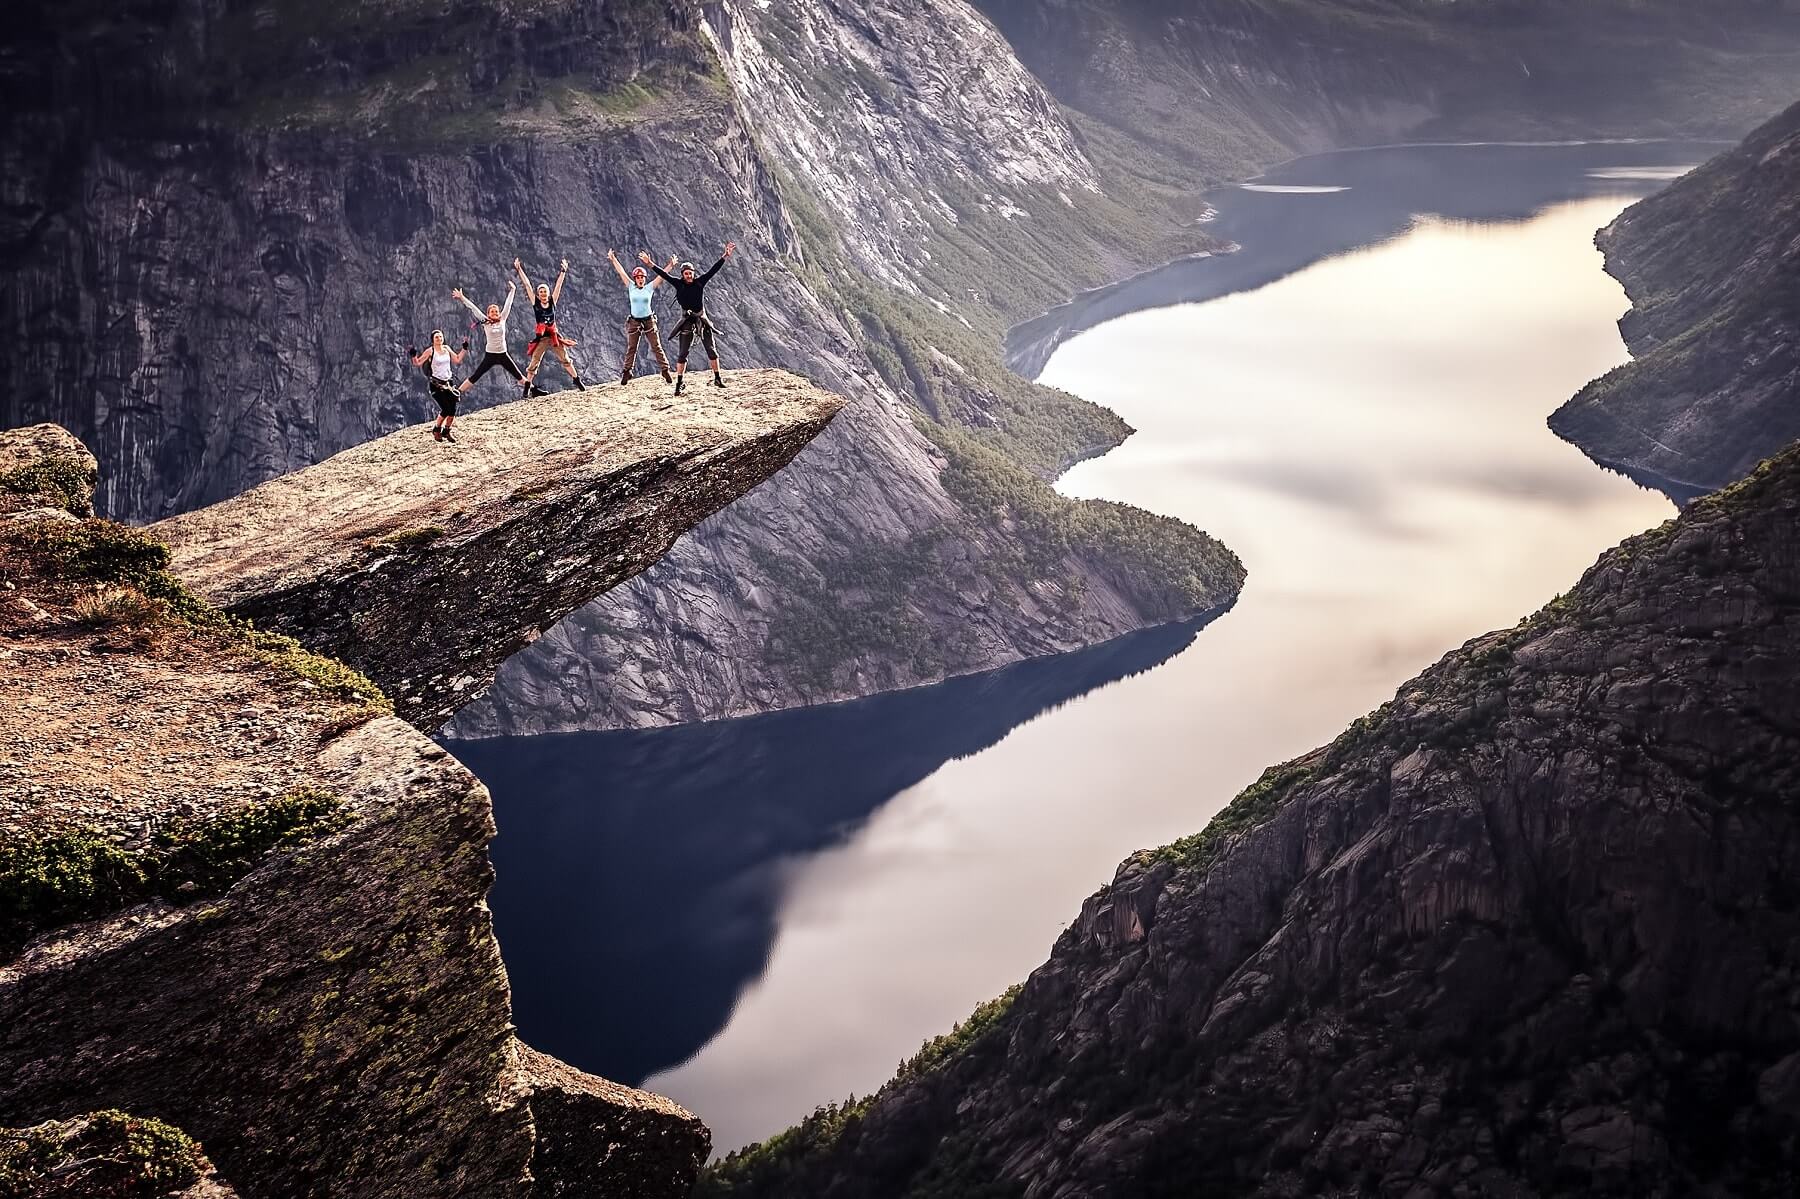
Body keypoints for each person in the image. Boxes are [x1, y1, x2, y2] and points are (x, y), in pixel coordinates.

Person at [641, 242, 735, 395]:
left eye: (690, 273)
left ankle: (717, 378)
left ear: (693, 273)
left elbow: (713, 270)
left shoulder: (700, 282)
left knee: (711, 350)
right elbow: (663, 275)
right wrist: (649, 264)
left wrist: (725, 255)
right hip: (686, 320)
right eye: (686, 273)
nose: (689, 275)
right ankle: (679, 383)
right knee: (683, 353)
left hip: (701, 319)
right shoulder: (679, 284)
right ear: (683, 274)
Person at [515, 256, 585, 394]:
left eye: (545, 291)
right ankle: (527, 387)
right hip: (542, 337)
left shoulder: (552, 302)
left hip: (553, 336)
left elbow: (558, 286)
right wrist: (519, 269)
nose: (543, 293)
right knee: (535, 361)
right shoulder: (536, 303)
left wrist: (563, 272)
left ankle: (577, 380)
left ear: (548, 293)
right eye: (541, 291)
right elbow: (527, 285)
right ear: (538, 294)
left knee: (564, 358)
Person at [606, 248, 673, 386]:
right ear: (635, 279)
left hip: (648, 320)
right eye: (638, 278)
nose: (641, 280)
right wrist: (613, 259)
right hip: (634, 321)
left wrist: (671, 265)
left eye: (642, 277)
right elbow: (621, 272)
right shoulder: (631, 287)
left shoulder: (649, 288)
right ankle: (627, 371)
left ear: (644, 279)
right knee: (632, 347)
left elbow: (662, 276)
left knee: (656, 346)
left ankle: (665, 370)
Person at [453, 282, 526, 397]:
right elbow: (473, 308)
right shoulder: (485, 322)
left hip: (503, 354)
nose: (495, 313)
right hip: (490, 355)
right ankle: (457, 392)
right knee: (476, 375)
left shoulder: (502, 319)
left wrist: (513, 290)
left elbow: (508, 304)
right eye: (492, 312)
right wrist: (462, 298)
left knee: (518, 375)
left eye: (496, 311)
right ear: (488, 314)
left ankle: (534, 390)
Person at [408, 329, 470, 442]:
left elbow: (457, 359)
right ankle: (437, 429)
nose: (439, 339)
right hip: (436, 384)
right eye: (437, 337)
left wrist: (464, 348)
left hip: (448, 383)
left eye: (440, 336)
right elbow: (417, 363)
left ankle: (446, 431)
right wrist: (413, 354)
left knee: (452, 410)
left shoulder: (446, 348)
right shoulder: (430, 351)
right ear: (432, 340)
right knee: (445, 409)